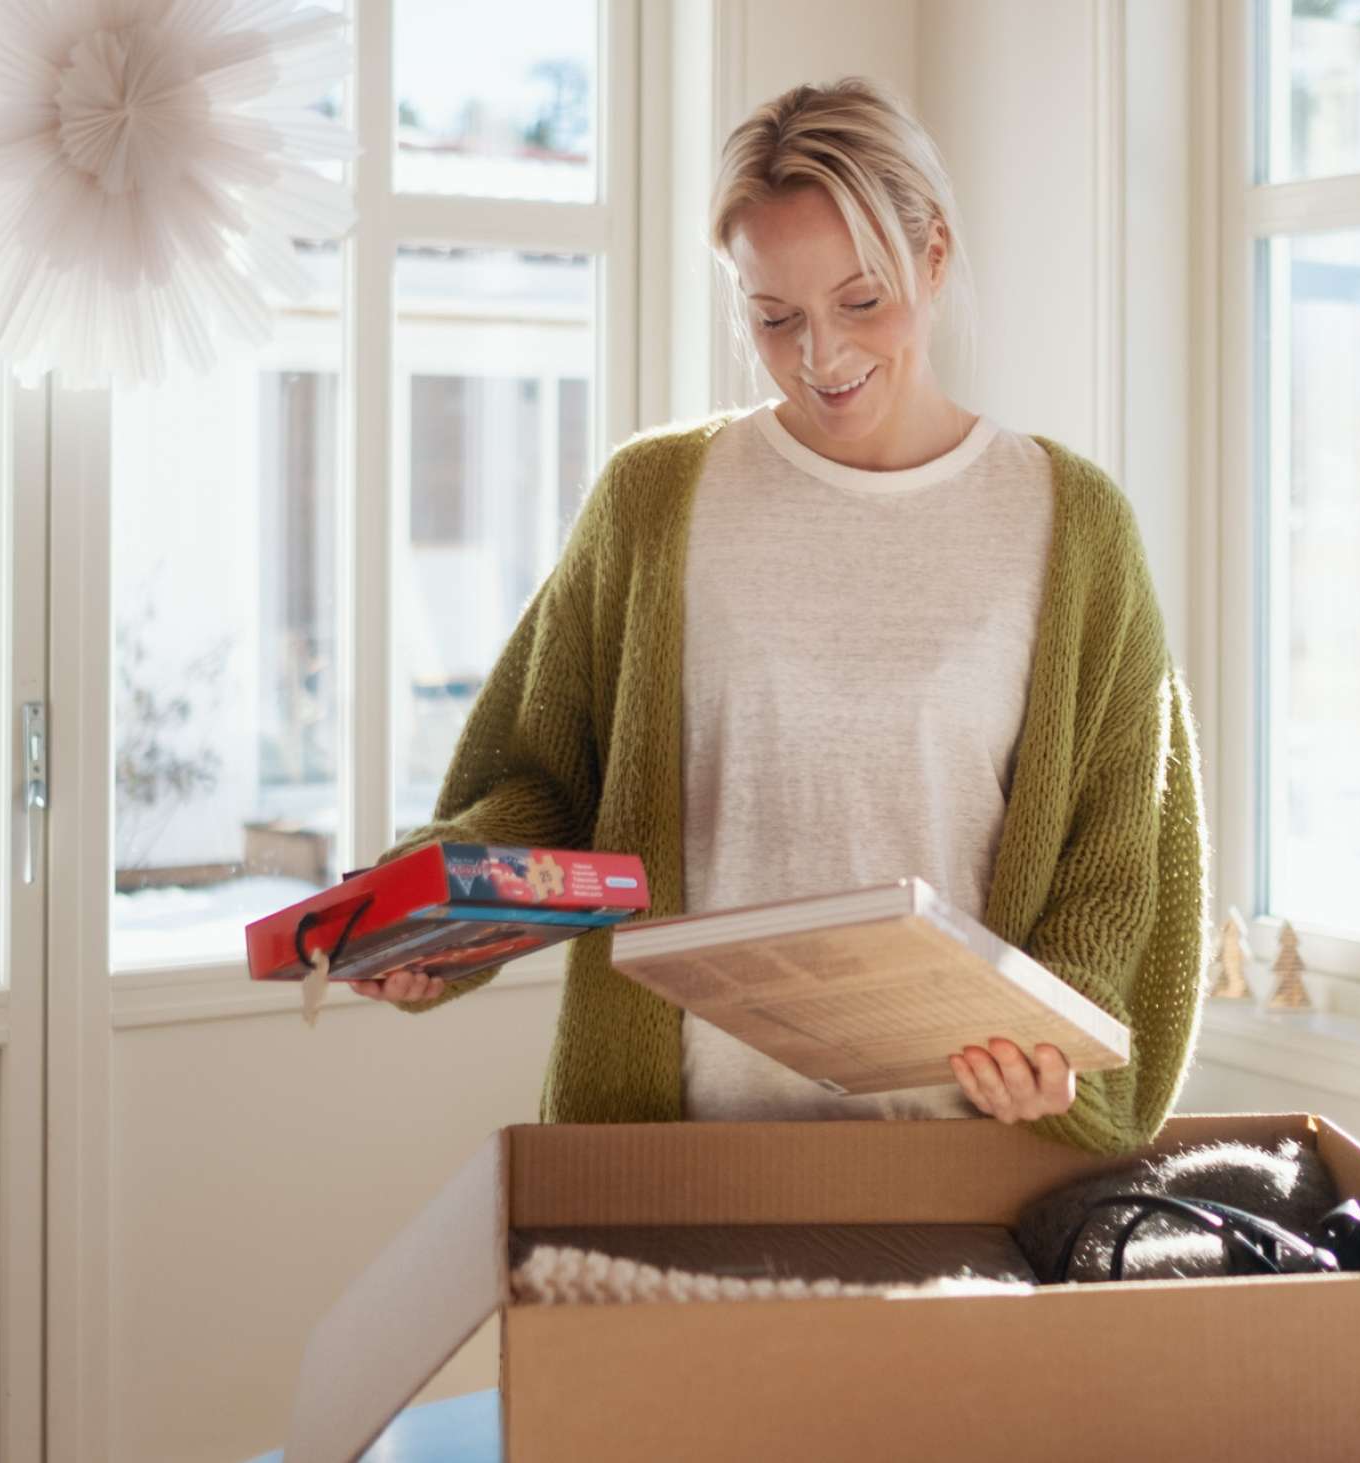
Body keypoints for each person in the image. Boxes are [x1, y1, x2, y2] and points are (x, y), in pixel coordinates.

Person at [347, 77, 1204, 1155]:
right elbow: (549, 785)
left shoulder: (1070, 523)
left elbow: (1115, 856)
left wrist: (1057, 1033)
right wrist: (432, 912)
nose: (823, 359)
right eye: (774, 317)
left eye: (861, 302)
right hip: (678, 1141)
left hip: (963, 1147)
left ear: (933, 256)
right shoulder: (654, 499)